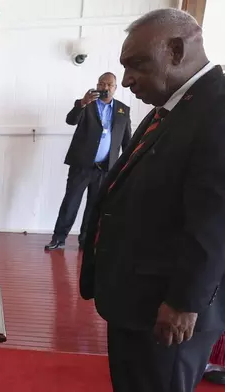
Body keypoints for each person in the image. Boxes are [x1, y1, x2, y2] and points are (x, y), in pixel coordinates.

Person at [79, 8, 225, 392]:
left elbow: (214, 220)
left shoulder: (217, 107)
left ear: (176, 50)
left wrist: (183, 303)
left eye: (137, 65)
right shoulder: (174, 107)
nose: (126, 81)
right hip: (139, 303)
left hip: (169, 314)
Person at [45, 72, 132, 250]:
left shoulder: (123, 110)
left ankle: (86, 240)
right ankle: (59, 238)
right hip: (82, 165)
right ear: (97, 85)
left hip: (106, 168)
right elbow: (71, 120)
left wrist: (126, 166)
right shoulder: (87, 105)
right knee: (71, 202)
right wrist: (82, 103)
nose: (105, 88)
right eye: (102, 84)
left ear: (115, 88)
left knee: (95, 206)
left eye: (109, 85)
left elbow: (126, 141)